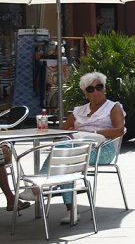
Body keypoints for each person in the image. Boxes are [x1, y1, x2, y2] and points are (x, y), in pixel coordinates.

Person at [12, 72, 127, 223]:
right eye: (91, 89)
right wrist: (70, 131)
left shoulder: (113, 107)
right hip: (76, 149)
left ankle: (37, 188)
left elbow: (119, 130)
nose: (96, 92)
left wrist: (91, 132)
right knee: (66, 159)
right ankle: (70, 210)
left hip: (102, 150)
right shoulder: (79, 111)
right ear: (85, 93)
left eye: (99, 87)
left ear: (104, 89)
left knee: (65, 157)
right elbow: (62, 133)